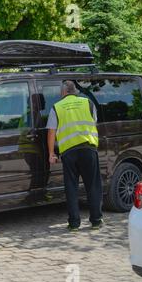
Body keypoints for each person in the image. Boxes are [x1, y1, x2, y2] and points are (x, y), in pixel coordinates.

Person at [46, 80, 103, 231]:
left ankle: (74, 223)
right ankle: (96, 220)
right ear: (76, 91)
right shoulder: (88, 103)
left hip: (69, 153)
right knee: (93, 185)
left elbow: (51, 131)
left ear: (63, 92)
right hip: (88, 149)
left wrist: (51, 154)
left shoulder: (56, 107)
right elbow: (94, 123)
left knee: (71, 188)